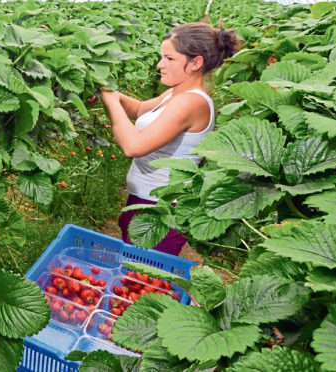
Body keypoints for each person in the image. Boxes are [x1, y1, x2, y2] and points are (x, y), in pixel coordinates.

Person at [100, 22, 240, 256]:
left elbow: (133, 146)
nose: (160, 64)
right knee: (132, 276)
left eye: (169, 58)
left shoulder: (191, 102)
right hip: (145, 200)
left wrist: (112, 103)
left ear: (196, 62)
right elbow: (139, 110)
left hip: (162, 211)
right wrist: (112, 93)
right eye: (161, 57)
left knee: (143, 282)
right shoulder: (177, 93)